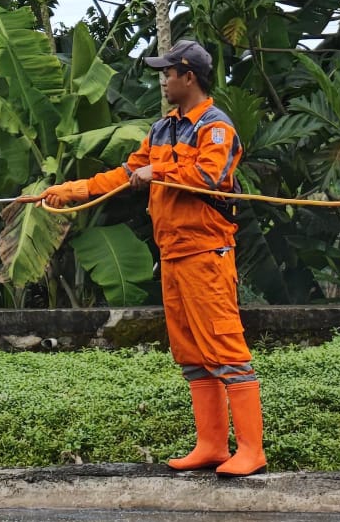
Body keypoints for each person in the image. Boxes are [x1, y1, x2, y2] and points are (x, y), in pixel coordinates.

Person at [42, 39, 266, 477]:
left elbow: (209, 174)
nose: (162, 80)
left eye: (167, 73)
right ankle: (211, 446)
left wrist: (158, 172)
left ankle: (252, 451)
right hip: (174, 255)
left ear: (188, 77)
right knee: (191, 353)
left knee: (225, 348)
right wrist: (74, 189)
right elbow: (128, 173)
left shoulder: (216, 127)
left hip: (206, 252)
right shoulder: (162, 128)